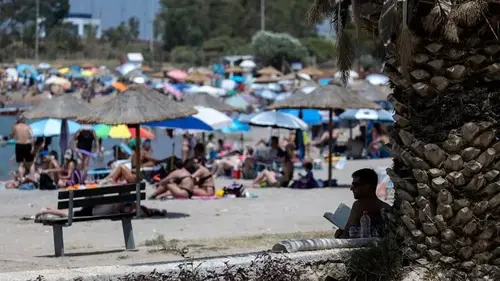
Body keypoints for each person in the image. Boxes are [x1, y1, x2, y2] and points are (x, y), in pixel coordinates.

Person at [335, 168, 392, 238]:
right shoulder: (386, 207)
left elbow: (346, 235)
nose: (351, 188)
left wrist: (339, 235)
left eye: (355, 184)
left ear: (367, 187)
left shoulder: (358, 205)